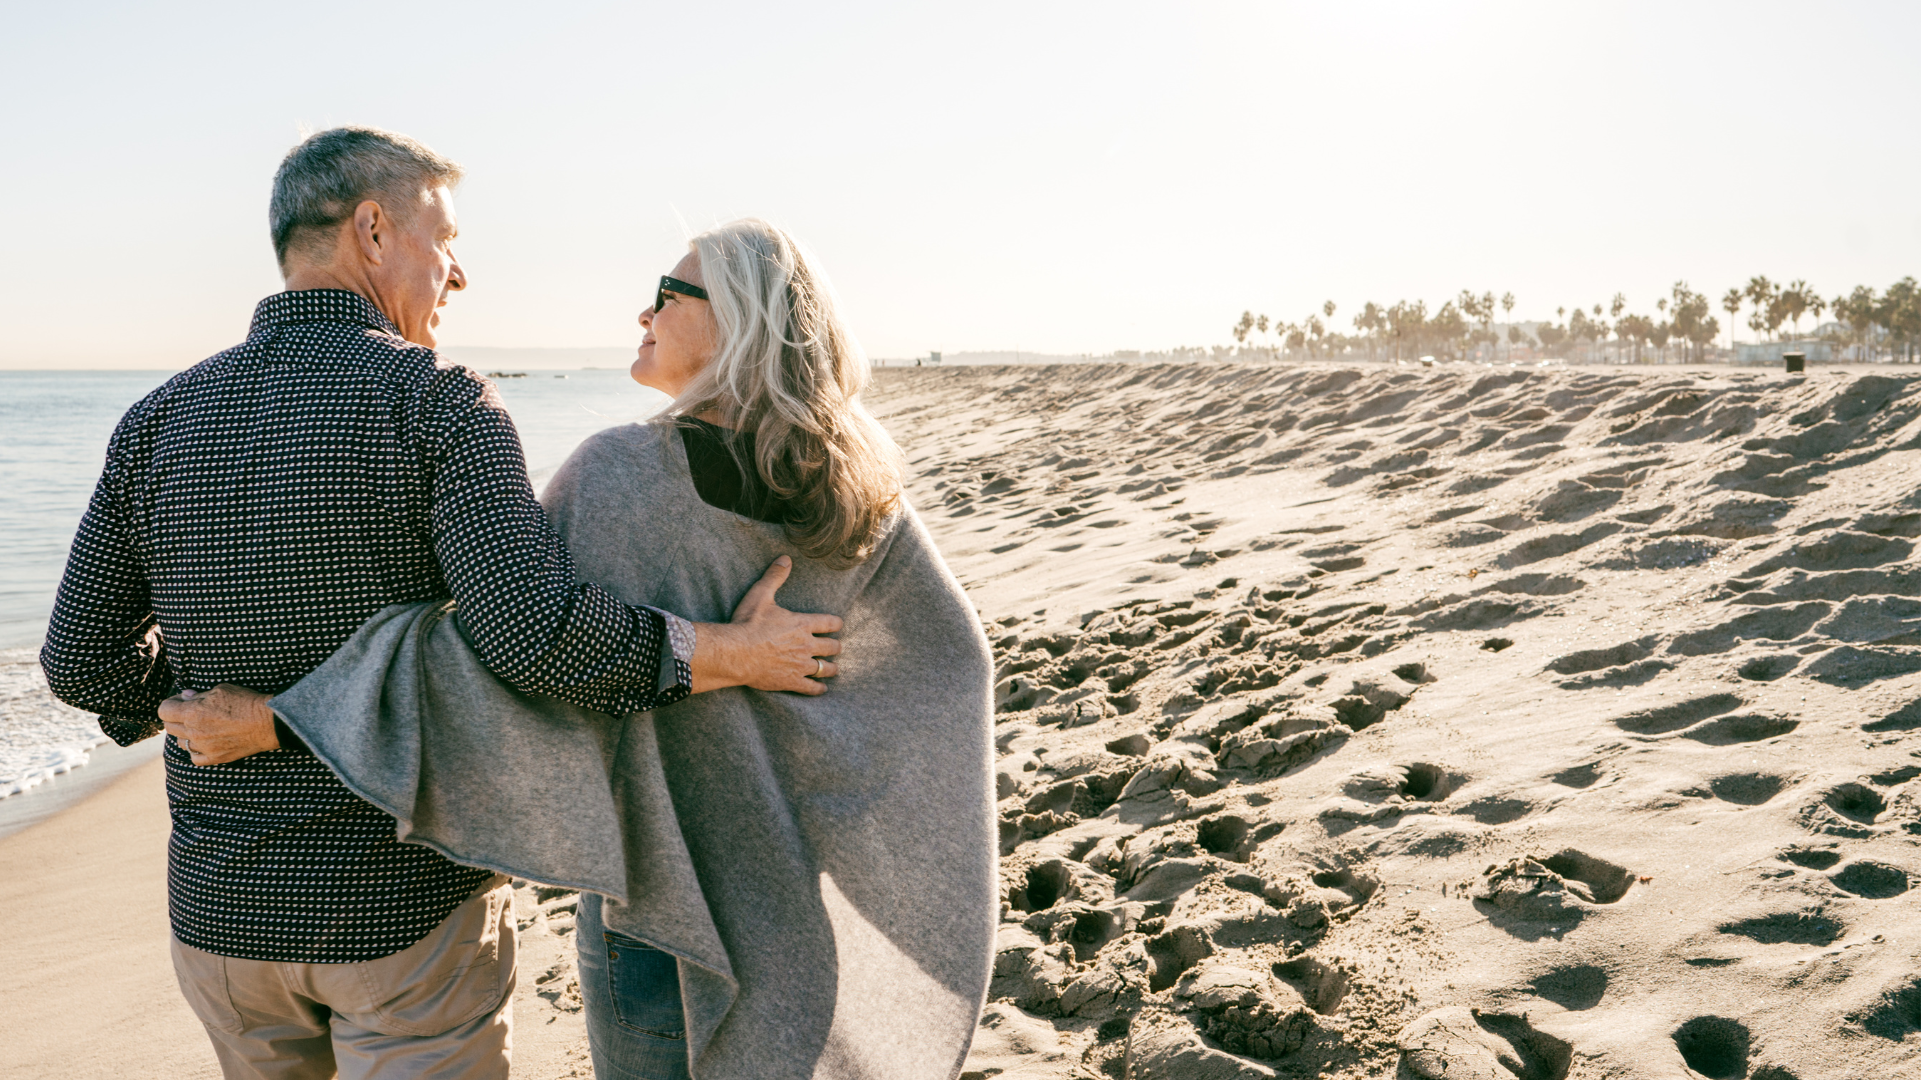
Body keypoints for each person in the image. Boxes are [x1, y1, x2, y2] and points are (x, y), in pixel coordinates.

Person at [39, 128, 839, 1080]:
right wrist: (730, 651)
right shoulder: (440, 402)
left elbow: (79, 659)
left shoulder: (158, 418)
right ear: (372, 232)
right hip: (401, 910)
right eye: (445, 238)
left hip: (220, 917)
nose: (456, 274)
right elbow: (536, 639)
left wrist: (182, 706)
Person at [201, 218, 998, 1079]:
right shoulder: (859, 486)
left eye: (668, 294)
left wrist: (281, 720)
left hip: (665, 896)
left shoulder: (622, 475)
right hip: (800, 894)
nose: (642, 311)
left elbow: (505, 663)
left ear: (736, 319)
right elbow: (950, 671)